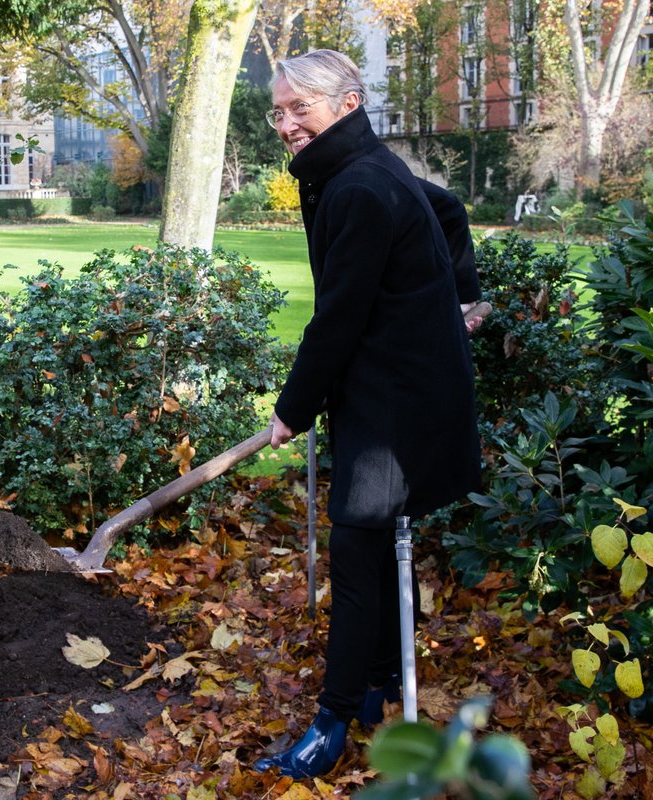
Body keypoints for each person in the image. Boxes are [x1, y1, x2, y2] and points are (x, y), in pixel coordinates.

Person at [252, 50, 480, 779]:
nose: (286, 123)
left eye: (300, 108)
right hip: (392, 389)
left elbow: (338, 321)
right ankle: (380, 687)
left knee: (356, 555)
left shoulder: (355, 187)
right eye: (278, 110)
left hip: (395, 407)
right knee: (378, 548)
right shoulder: (365, 171)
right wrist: (461, 298)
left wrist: (292, 408)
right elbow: (445, 207)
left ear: (346, 104)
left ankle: (332, 723)